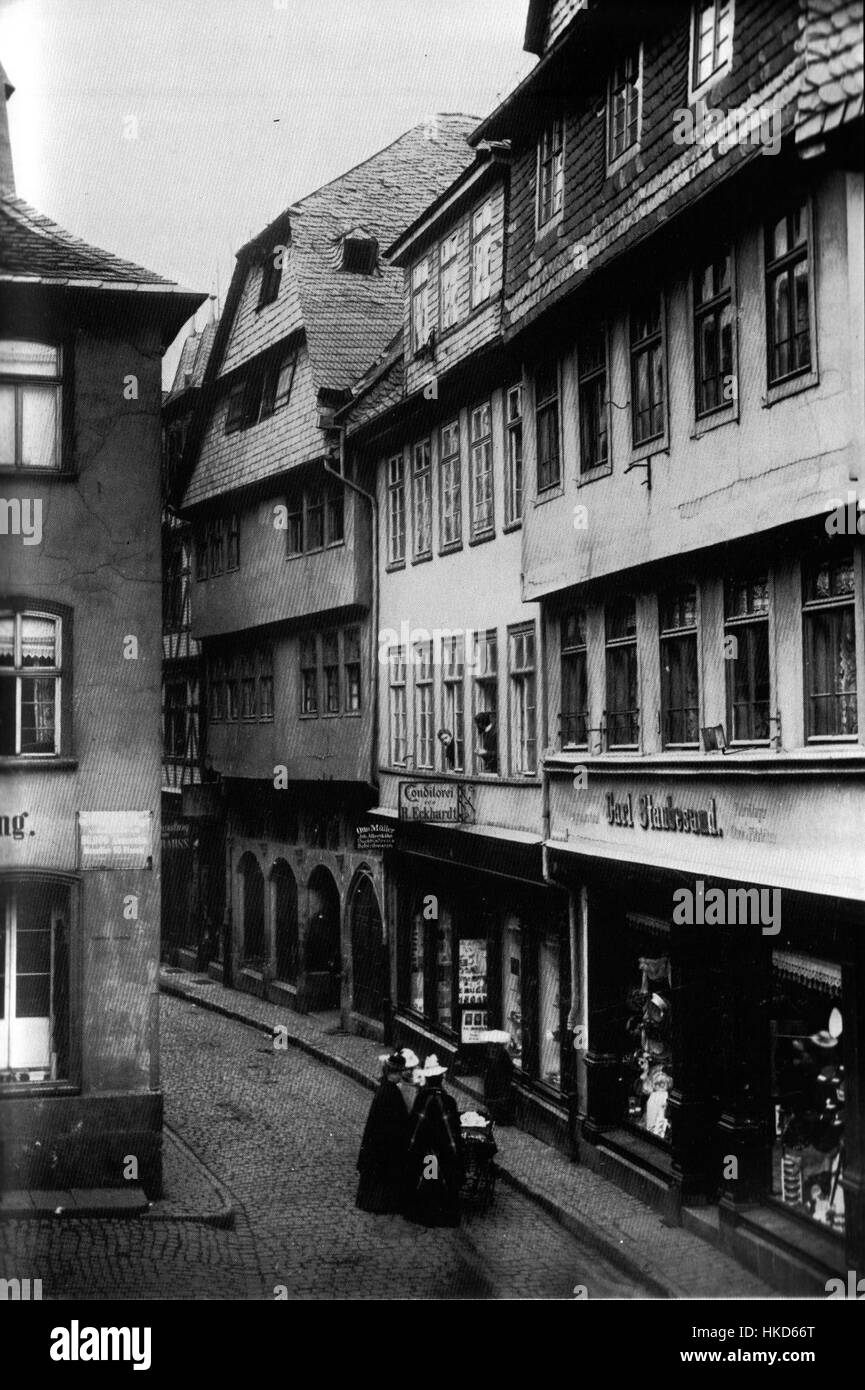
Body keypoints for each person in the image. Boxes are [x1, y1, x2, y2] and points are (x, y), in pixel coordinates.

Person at [404, 1054, 464, 1227]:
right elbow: (452, 1129)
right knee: (445, 1183)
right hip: (444, 1152)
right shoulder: (449, 1101)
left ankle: (427, 1214)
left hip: (427, 1151)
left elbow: (415, 1126)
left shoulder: (422, 1098)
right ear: (441, 1079)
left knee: (429, 1182)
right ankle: (444, 1215)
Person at [355, 1051, 412, 1214]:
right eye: (400, 1073)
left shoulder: (386, 1088)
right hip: (385, 1141)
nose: (401, 1076)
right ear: (394, 1073)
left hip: (379, 1139)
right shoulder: (389, 1092)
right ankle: (380, 1202)